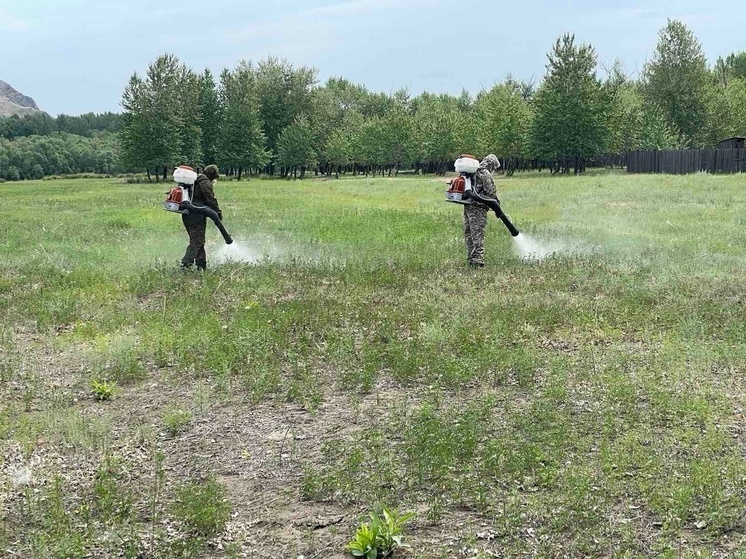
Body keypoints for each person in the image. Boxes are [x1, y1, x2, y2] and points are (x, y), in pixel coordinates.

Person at [181, 164, 222, 271]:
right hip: (196, 214)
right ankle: (185, 265)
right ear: (212, 174)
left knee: (198, 240)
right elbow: (210, 199)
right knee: (197, 241)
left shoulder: (195, 180)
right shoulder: (205, 182)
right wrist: (218, 212)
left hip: (187, 213)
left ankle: (201, 265)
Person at [463, 154, 500, 268]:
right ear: (491, 164)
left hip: (468, 206)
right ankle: (478, 260)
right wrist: (497, 205)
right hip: (478, 209)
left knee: (469, 234)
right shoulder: (485, 173)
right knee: (478, 234)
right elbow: (491, 192)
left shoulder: (471, 172)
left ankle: (471, 258)